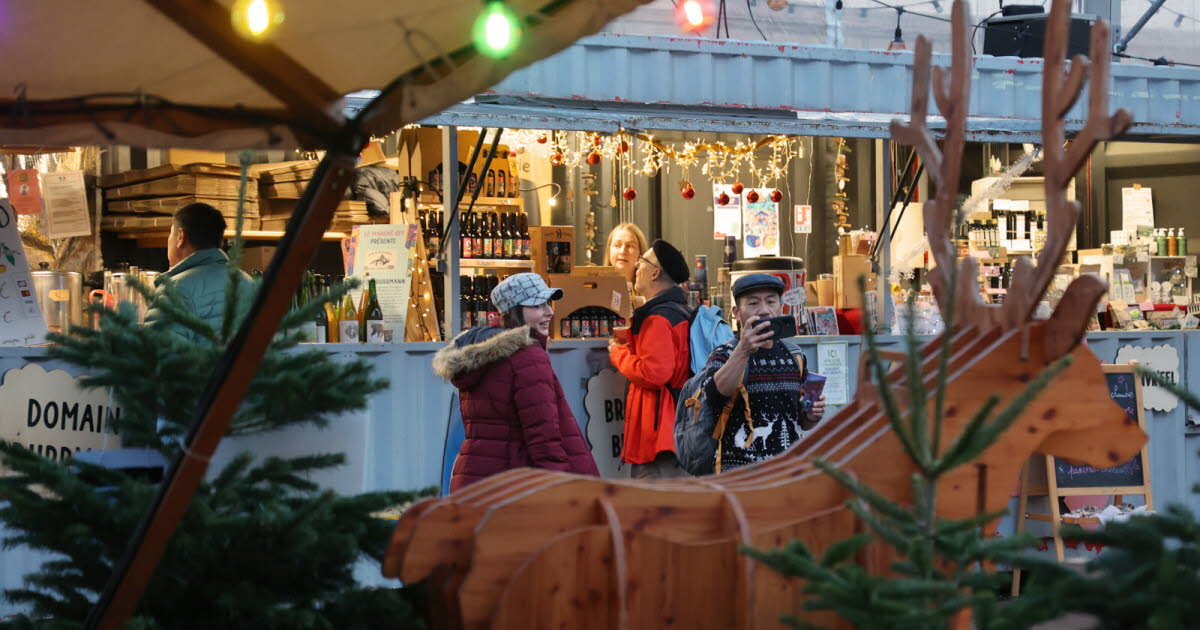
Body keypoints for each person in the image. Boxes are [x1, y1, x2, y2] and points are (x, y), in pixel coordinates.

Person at [434, 273, 599, 491]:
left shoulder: (476, 354)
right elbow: (544, 437)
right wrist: (559, 487)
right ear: (514, 311)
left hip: (475, 478)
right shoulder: (528, 356)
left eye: (548, 303)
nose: (549, 311)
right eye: (537, 305)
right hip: (515, 484)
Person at [698, 273, 826, 472]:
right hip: (739, 476)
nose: (764, 310)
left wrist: (812, 415)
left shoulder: (795, 355)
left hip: (787, 472)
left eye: (771, 301)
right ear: (736, 313)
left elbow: (801, 422)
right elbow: (713, 397)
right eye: (753, 303)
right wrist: (743, 351)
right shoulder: (724, 354)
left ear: (781, 308)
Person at [609, 239, 691, 479]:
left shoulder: (658, 319)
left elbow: (654, 373)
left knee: (654, 496)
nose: (637, 266)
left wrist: (618, 353)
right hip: (676, 428)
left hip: (659, 435)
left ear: (655, 273)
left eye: (642, 261)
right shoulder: (679, 311)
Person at [143, 202, 253, 338]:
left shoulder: (174, 290)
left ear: (180, 236)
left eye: (170, 234)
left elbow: (157, 349)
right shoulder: (247, 282)